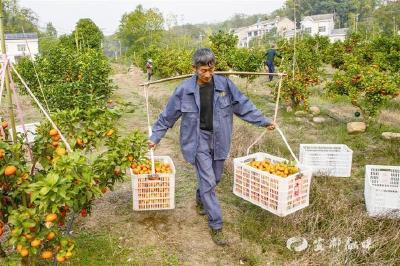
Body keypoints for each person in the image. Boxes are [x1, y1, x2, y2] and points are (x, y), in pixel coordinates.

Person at [148, 48, 276, 246]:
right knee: (208, 182)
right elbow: (168, 115)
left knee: (214, 178)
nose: (208, 74)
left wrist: (264, 121)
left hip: (220, 139)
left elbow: (243, 105)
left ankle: (200, 198)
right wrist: (155, 137)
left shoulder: (225, 85)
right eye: (203, 71)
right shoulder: (184, 90)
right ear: (194, 68)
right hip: (197, 140)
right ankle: (216, 225)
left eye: (211, 69)